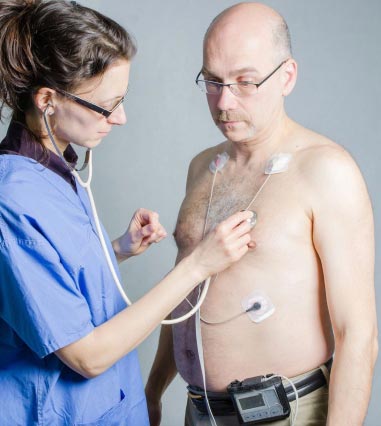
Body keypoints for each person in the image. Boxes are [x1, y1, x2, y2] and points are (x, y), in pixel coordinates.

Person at [0, 1, 256, 425]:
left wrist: (117, 248)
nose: (121, 118)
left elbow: (45, 279)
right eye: (106, 105)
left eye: (123, 99)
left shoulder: (58, 166)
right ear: (47, 100)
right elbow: (87, 356)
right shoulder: (13, 197)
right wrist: (197, 267)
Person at [145, 2, 378, 426]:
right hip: (198, 412)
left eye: (245, 82)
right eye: (212, 81)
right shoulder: (203, 167)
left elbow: (357, 335)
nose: (224, 101)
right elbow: (185, 292)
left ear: (286, 76)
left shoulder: (326, 170)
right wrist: (154, 388)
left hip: (285, 414)